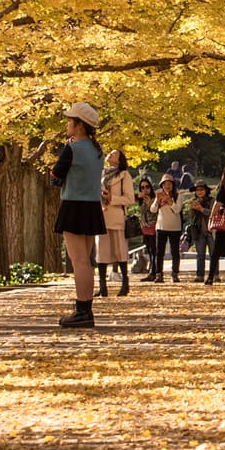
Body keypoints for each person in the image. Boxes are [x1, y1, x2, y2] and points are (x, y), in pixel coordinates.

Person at [51, 103, 105, 328]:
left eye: (70, 120)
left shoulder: (71, 149)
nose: (66, 124)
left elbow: (55, 176)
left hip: (73, 205)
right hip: (92, 206)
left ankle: (82, 309)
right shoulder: (98, 151)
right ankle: (85, 309)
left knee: (78, 261)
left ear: (79, 126)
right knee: (86, 261)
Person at [98, 150, 133, 297]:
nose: (110, 155)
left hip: (116, 215)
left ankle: (125, 284)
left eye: (114, 154)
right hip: (101, 215)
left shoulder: (124, 175)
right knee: (101, 251)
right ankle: (102, 286)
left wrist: (112, 197)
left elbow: (130, 199)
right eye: (110, 153)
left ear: (119, 160)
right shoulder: (101, 174)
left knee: (120, 250)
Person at [148, 177, 184, 282]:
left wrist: (170, 201)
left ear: (173, 185)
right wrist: (157, 200)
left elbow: (177, 209)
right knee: (159, 252)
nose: (167, 186)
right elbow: (153, 210)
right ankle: (159, 274)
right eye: (165, 184)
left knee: (175, 252)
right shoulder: (159, 196)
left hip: (175, 228)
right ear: (162, 185)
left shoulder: (178, 196)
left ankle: (175, 274)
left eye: (169, 184)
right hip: (161, 227)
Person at [188, 181, 214, 282]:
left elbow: (213, 213)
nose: (199, 192)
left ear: (206, 190)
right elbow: (190, 217)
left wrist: (202, 209)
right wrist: (192, 209)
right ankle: (200, 275)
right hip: (198, 231)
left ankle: (214, 274)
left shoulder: (212, 200)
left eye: (201, 189)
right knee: (200, 255)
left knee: (213, 254)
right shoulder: (193, 201)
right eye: (197, 190)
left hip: (211, 230)